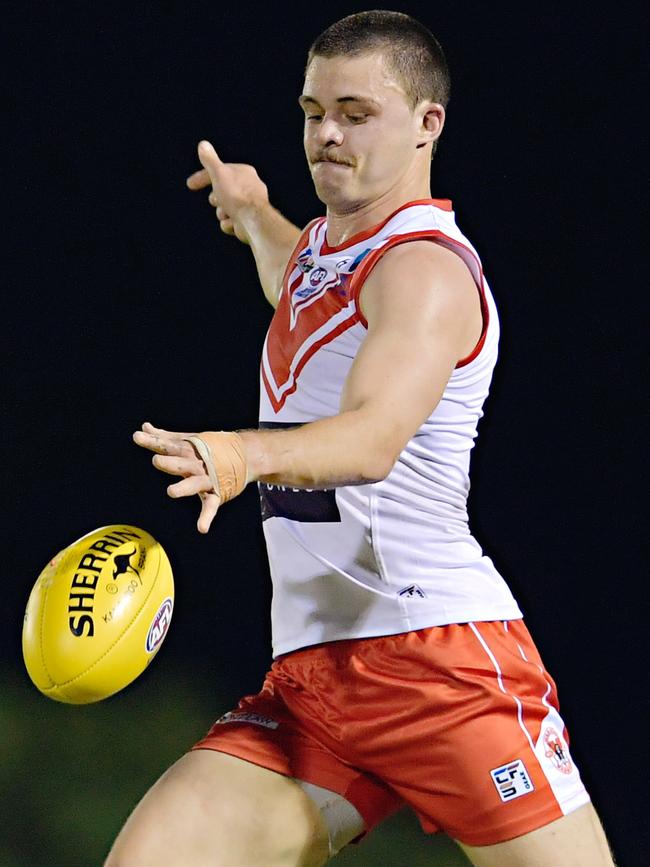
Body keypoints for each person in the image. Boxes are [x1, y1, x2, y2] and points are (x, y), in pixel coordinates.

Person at [106, 11, 615, 867]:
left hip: (441, 665)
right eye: (312, 112)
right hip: (313, 684)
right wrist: (254, 211)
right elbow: (297, 287)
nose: (327, 134)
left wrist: (240, 454)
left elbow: (374, 437)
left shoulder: (425, 270)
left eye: (354, 111)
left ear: (428, 123)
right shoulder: (325, 254)